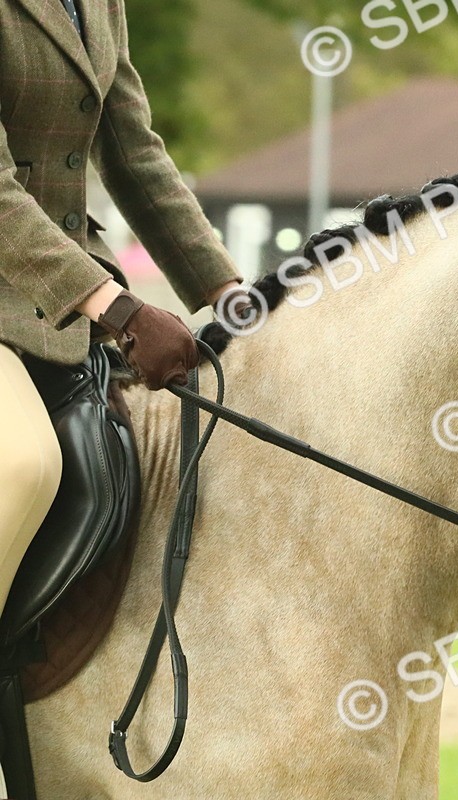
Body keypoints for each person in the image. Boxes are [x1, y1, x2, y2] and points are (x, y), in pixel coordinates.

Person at [0, 0, 242, 681]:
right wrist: (115, 305)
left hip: (57, 309)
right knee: (24, 464)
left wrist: (231, 292)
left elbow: (133, 149)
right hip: (41, 294)